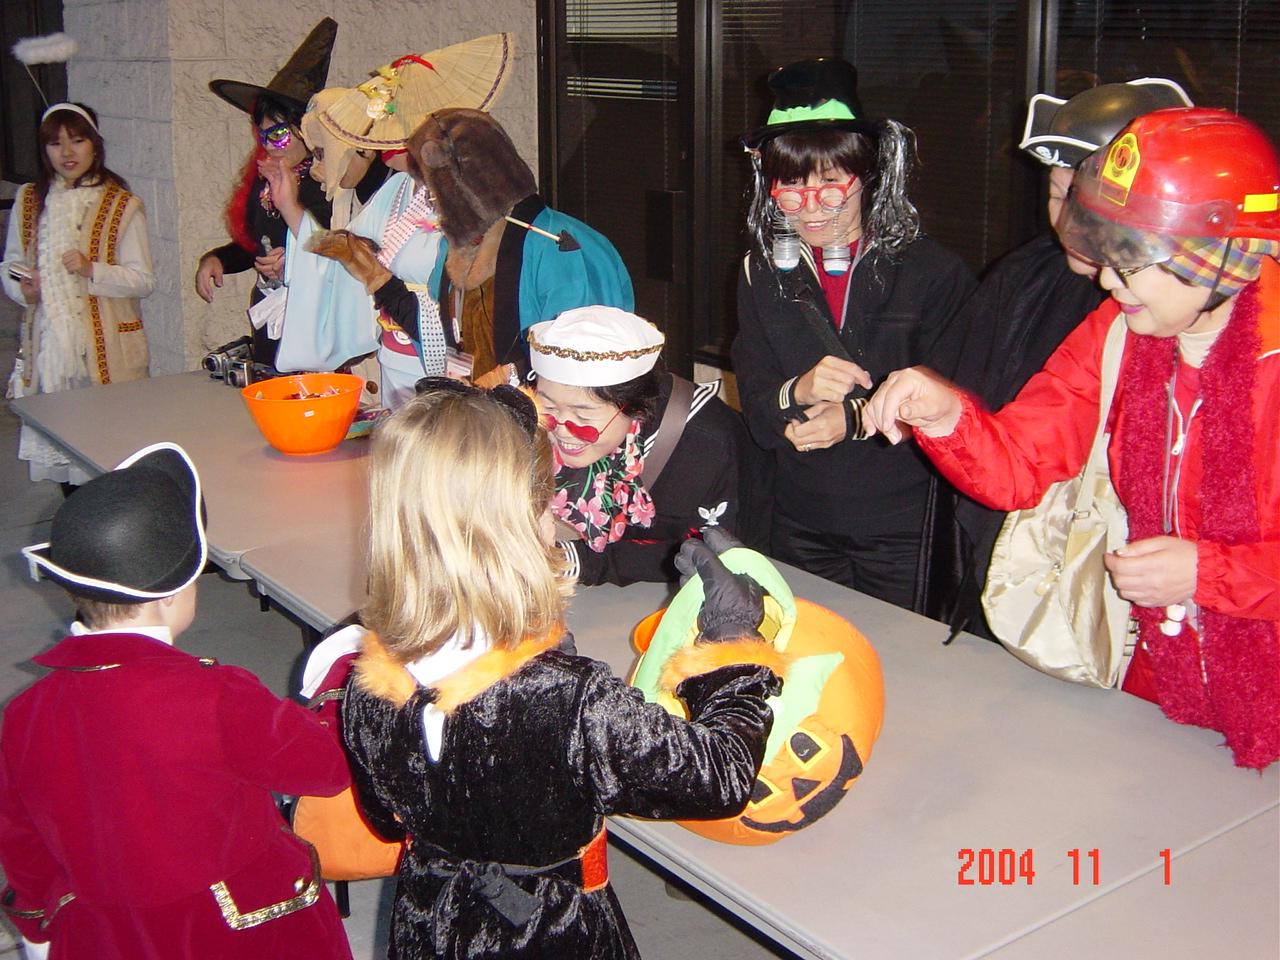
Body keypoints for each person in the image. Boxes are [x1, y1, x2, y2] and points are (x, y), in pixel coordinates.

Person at [864, 107, 1280, 770]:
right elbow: (1020, 466)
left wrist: (1210, 574)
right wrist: (946, 416)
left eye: (1131, 261)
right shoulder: (1118, 333)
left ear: (1216, 258)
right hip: (1150, 675)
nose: (1107, 279)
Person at [340, 381, 783, 958]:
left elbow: (386, 818)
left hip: (431, 921)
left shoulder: (368, 683)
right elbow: (720, 777)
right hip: (552, 931)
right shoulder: (572, 702)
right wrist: (732, 647)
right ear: (525, 525)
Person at [0, 443, 353, 957]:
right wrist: (342, 682)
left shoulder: (24, 714)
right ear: (171, 594)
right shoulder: (217, 695)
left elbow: (22, 839)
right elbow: (326, 769)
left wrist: (37, 931)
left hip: (110, 937)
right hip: (237, 932)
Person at [947, 77, 1192, 639]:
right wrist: (945, 415)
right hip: (1024, 553)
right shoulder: (1024, 277)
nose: (1068, 226)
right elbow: (1010, 440)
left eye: (1085, 204)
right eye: (1058, 198)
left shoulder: (1169, 313)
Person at [731, 57, 975, 613]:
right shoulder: (761, 271)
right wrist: (796, 390)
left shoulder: (932, 272)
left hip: (901, 521)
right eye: (791, 187)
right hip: (798, 516)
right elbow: (757, 399)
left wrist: (858, 418)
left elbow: (963, 402)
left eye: (830, 184)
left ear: (867, 176)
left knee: (900, 655)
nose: (810, 208)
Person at [270, 37, 517, 409]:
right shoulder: (398, 188)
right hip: (394, 356)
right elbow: (347, 255)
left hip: (445, 359)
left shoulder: (471, 197)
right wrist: (292, 213)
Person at [529, 305, 750, 585]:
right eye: (548, 406)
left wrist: (579, 560)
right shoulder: (533, 418)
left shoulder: (704, 446)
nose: (561, 429)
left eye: (583, 416)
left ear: (634, 407)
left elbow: (710, 554)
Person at [2, 102, 154, 486]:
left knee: (109, 456)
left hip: (107, 356)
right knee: (62, 454)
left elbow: (142, 280)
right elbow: (12, 263)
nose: (67, 153)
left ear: (95, 145)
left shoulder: (122, 204)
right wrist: (24, 288)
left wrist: (92, 270)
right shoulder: (30, 200)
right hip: (49, 352)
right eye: (55, 143)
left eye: (77, 141)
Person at [194, 18, 336, 366]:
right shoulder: (265, 181)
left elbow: (338, 253)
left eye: (279, 133)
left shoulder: (328, 184)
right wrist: (218, 259)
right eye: (262, 134)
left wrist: (293, 262)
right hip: (271, 320)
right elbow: (254, 247)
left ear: (306, 131)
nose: (269, 144)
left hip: (316, 321)